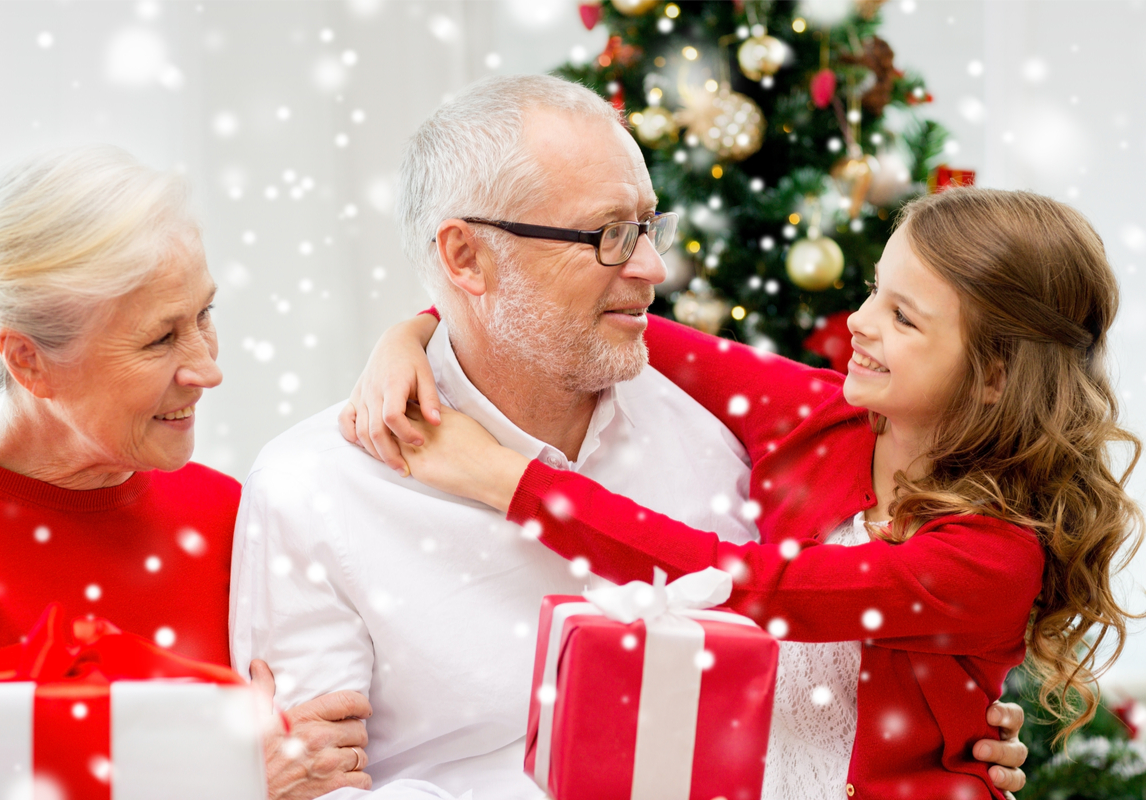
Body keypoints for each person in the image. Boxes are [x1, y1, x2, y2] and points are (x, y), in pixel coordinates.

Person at [234, 73, 1027, 798]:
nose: (653, 267)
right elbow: (317, 787)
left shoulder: (723, 423)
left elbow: (776, 602)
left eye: (650, 225)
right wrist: (409, 334)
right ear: (466, 256)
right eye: (609, 234)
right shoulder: (315, 487)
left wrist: (945, 732)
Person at [345, 187, 1143, 798]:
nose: (858, 321)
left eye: (903, 317)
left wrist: (506, 480)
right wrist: (409, 334)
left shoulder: (991, 557)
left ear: (998, 375)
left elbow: (749, 587)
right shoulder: (811, 413)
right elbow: (583, 319)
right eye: (873, 289)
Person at [0, 145, 371, 799]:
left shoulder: (231, 511)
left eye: (204, 316)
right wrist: (233, 784)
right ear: (28, 360)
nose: (207, 369)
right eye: (158, 339)